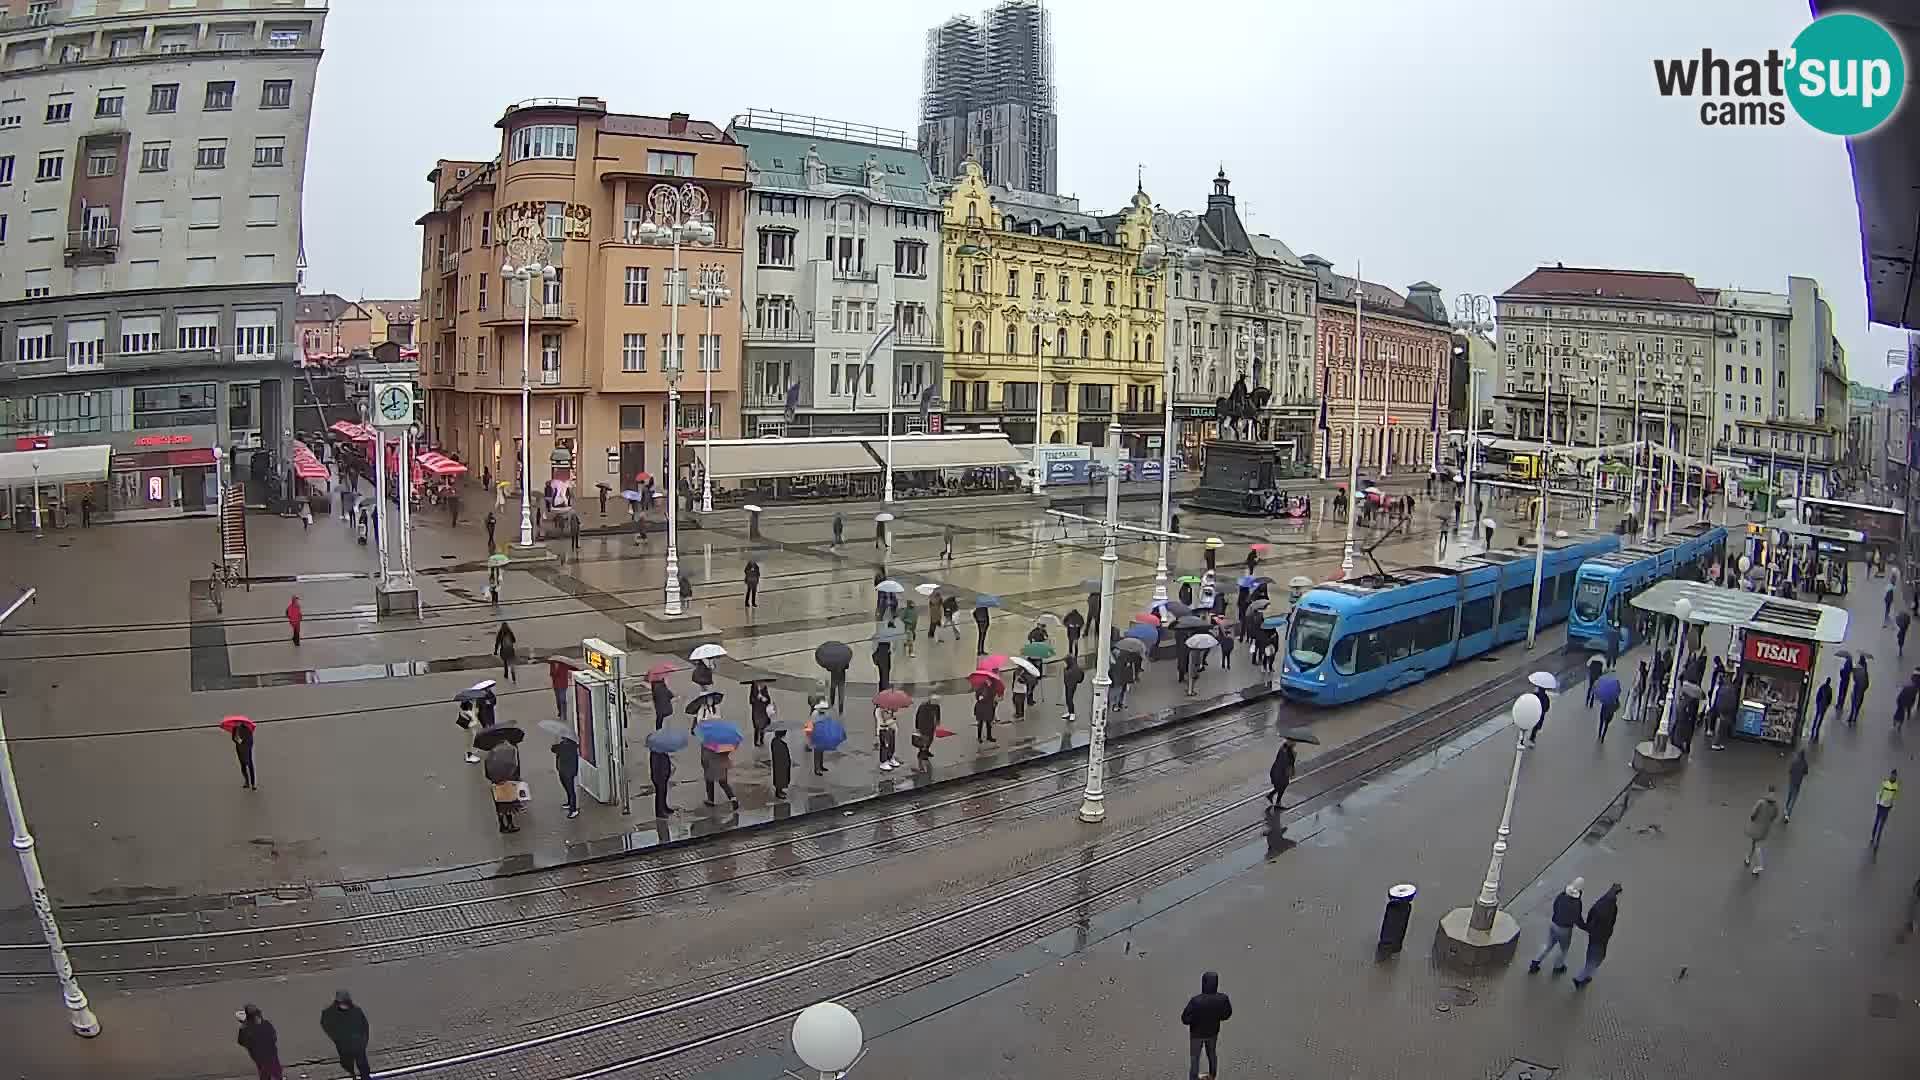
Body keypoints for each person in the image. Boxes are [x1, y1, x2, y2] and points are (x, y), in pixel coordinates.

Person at [1179, 971, 1233, 1080]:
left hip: (1196, 1034)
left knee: (1195, 1058)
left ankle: (1194, 1078)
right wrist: (1217, 1017)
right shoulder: (1223, 999)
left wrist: (1194, 1021)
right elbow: (1227, 1014)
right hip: (1213, 1032)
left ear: (1203, 983)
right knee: (1212, 1054)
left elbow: (1185, 1019)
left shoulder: (1196, 1001)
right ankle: (1212, 1075)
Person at [1528, 878, 1585, 975]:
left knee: (1548, 944)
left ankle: (1535, 962)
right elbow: (1577, 918)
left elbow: (1555, 905)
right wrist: (1585, 927)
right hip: (1564, 929)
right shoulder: (1576, 903)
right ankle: (1558, 967)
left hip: (1554, 923)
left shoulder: (1562, 895)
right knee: (1563, 949)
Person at [1571, 883, 1621, 988]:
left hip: (1594, 935)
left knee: (1591, 956)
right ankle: (1580, 978)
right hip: (1601, 938)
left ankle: (1586, 974)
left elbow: (1591, 914)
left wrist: (1588, 927)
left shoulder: (1600, 903)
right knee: (1598, 959)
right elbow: (1611, 922)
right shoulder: (1612, 908)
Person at [319, 991, 373, 1080]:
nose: (345, 1005)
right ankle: (352, 1074)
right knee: (347, 1063)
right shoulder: (329, 1013)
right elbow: (326, 1026)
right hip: (344, 1045)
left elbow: (365, 1025)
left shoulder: (356, 1010)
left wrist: (364, 1040)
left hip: (358, 1043)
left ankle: (365, 1077)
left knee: (363, 1064)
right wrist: (337, 1038)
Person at [236, 1003, 283, 1080]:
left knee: (270, 1072)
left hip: (266, 1054)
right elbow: (273, 1037)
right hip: (264, 1055)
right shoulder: (249, 1028)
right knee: (270, 1072)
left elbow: (241, 1041)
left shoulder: (248, 1028)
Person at [486, 740, 522, 834]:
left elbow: (487, 773)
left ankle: (502, 825)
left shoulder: (491, 753)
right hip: (508, 782)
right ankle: (510, 824)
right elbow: (515, 768)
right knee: (509, 804)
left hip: (496, 783)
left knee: (499, 805)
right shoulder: (511, 751)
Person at [1746, 785, 1780, 874]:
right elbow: (1775, 816)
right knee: (1755, 843)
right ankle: (1748, 857)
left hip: (1756, 826)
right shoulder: (1775, 805)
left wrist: (1753, 819)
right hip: (1765, 828)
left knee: (1757, 846)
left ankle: (1759, 865)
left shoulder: (1761, 802)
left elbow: (1753, 814)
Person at [700, 743, 739, 810]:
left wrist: (704, 764)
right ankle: (733, 798)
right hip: (723, 762)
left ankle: (711, 800)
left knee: (709, 780)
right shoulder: (724, 739)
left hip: (711, 762)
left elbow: (704, 756)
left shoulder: (707, 740)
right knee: (723, 782)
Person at [551, 733, 580, 818]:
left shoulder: (569, 746)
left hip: (568, 771)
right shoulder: (564, 745)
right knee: (567, 788)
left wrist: (556, 745)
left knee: (570, 790)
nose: (562, 738)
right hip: (563, 770)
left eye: (564, 737)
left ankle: (573, 810)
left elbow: (554, 749)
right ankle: (569, 803)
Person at [1873, 768, 1901, 854]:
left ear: (1896, 776)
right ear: (1890, 775)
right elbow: (1879, 793)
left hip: (1887, 808)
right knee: (1877, 822)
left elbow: (1895, 796)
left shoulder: (1896, 786)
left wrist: (1892, 806)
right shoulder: (1885, 783)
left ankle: (1877, 842)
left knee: (1881, 826)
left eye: (1895, 775)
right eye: (1892, 775)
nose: (1893, 776)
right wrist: (1878, 803)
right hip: (1880, 806)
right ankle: (1872, 836)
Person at [1268, 739, 1296, 809]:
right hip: (1280, 772)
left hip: (1282, 772)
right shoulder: (1285, 751)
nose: (1295, 743)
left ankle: (1272, 796)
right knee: (1282, 785)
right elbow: (1285, 763)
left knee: (1282, 786)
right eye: (1293, 742)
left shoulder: (1289, 751)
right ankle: (1276, 801)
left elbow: (1291, 764)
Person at [1784, 749, 1810, 822]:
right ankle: (1787, 815)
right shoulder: (1805, 764)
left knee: (1789, 796)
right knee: (1793, 800)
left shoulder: (1794, 762)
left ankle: (1786, 808)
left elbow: (1790, 771)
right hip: (1797, 784)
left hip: (1791, 782)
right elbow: (1806, 773)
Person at [914, 698, 940, 766]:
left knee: (930, 739)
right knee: (923, 739)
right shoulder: (923, 706)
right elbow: (917, 716)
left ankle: (926, 750)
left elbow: (938, 713)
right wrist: (917, 726)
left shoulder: (936, 706)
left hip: (931, 725)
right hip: (923, 725)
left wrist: (937, 721)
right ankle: (921, 753)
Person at [650, 747, 674, 818]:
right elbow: (656, 765)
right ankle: (660, 811)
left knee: (663, 790)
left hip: (663, 771)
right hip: (659, 773)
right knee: (660, 791)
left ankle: (664, 806)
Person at [875, 703, 901, 770]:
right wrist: (893, 720)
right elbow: (882, 723)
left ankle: (890, 758)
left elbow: (893, 719)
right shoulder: (878, 711)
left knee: (892, 745)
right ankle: (883, 762)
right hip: (883, 731)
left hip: (891, 730)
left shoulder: (890, 710)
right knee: (885, 746)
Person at [232, 721, 257, 790]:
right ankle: (246, 782)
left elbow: (250, 740)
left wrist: (242, 741)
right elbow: (233, 738)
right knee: (242, 766)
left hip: (247, 749)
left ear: (242, 723)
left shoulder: (247, 729)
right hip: (239, 749)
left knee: (250, 765)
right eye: (236, 723)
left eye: (238, 723)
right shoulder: (235, 728)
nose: (237, 724)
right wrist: (236, 739)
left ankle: (253, 784)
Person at [770, 726, 792, 799]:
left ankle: (780, 790)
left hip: (781, 764)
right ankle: (778, 792)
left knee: (781, 778)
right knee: (780, 778)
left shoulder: (776, 741)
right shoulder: (778, 743)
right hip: (780, 765)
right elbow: (781, 754)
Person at [1062, 655, 1085, 722]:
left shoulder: (1075, 668)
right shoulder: (1068, 667)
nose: (1065, 663)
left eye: (1066, 661)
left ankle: (1072, 713)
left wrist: (1066, 671)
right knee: (1067, 699)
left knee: (1069, 699)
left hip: (1072, 686)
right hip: (1067, 685)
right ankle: (1069, 712)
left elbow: (1078, 676)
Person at [749, 682, 773, 747]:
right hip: (756, 710)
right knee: (756, 726)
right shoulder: (753, 688)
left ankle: (761, 740)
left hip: (763, 710)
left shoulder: (764, 688)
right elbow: (751, 700)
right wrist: (757, 698)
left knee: (763, 725)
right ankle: (756, 741)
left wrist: (764, 699)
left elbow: (769, 700)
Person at [1811, 676, 1834, 742]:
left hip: (1820, 704)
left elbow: (1818, 695)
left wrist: (1817, 702)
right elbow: (1829, 699)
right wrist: (1827, 705)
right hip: (1823, 706)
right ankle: (1817, 728)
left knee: (1817, 716)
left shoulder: (1822, 687)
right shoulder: (1829, 689)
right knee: (1820, 717)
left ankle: (1814, 728)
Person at [1850, 661, 1871, 726]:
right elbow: (1867, 684)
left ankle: (1851, 716)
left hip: (1857, 690)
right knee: (1858, 704)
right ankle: (1855, 717)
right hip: (1861, 692)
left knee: (1853, 703)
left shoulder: (1857, 671)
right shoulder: (1865, 674)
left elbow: (1854, 679)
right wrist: (1863, 689)